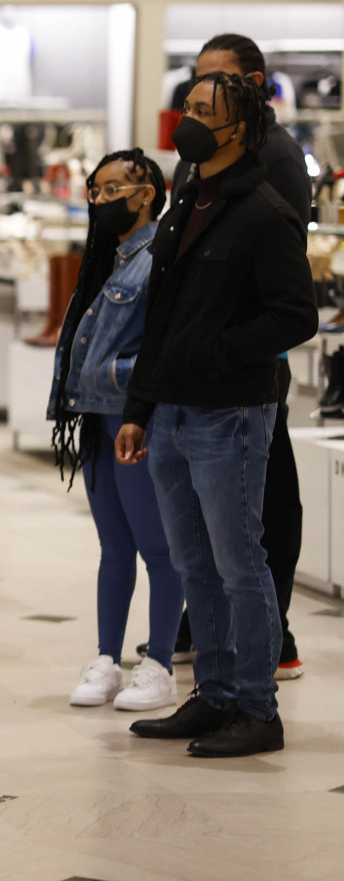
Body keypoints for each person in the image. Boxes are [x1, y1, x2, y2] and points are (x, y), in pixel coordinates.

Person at [117, 71, 316, 758]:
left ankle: (258, 709)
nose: (190, 118)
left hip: (229, 414)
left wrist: (218, 353)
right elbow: (161, 314)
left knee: (239, 564)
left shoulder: (263, 211)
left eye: (206, 110)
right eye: (189, 105)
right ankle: (215, 694)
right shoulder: (186, 199)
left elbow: (296, 315)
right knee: (192, 562)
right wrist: (140, 405)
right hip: (171, 411)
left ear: (240, 127)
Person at [162, 34, 310, 681]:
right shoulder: (192, 167)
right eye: (192, 93)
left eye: (214, 88)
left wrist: (222, 346)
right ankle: (210, 638)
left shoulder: (275, 160)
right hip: (194, 372)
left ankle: (271, 644)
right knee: (206, 517)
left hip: (246, 371)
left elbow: (281, 289)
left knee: (259, 504)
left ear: (250, 87)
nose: (197, 106)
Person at [48, 150, 180, 713]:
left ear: (146, 193)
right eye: (95, 191)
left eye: (111, 190)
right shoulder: (109, 258)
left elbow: (161, 350)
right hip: (96, 418)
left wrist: (122, 388)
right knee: (114, 547)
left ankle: (161, 664)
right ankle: (107, 657)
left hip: (135, 419)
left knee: (159, 548)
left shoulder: (159, 258)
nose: (100, 200)